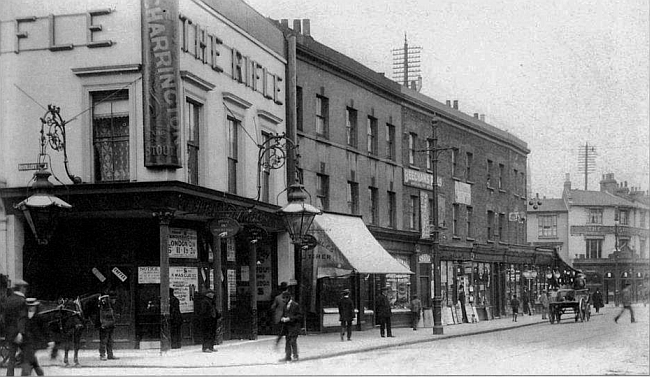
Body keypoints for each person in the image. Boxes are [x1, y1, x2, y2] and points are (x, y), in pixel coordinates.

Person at [3, 279, 29, 376]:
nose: (26, 290)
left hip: (10, 333)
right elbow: (22, 318)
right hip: (19, 334)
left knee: (12, 357)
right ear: (21, 288)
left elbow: (4, 318)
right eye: (25, 288)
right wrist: (20, 333)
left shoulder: (8, 300)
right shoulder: (22, 301)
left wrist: (8, 331)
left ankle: (9, 375)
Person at [19, 298, 46, 376]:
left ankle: (26, 374)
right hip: (24, 342)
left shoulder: (39, 317)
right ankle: (40, 373)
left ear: (35, 306)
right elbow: (19, 326)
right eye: (29, 306)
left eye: (33, 306)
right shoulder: (23, 316)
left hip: (35, 342)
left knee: (27, 361)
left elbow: (45, 329)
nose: (31, 308)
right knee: (33, 362)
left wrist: (49, 340)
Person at [279, 291, 303, 363]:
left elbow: (299, 316)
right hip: (287, 327)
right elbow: (284, 314)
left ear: (288, 298)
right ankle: (288, 356)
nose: (283, 300)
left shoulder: (295, 305)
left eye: (284, 298)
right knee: (287, 341)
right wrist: (282, 318)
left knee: (293, 341)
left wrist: (289, 318)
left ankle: (295, 355)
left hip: (294, 326)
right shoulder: (284, 306)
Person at [97, 294, 117, 361]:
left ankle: (110, 354)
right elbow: (101, 317)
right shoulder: (102, 309)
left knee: (110, 340)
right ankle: (102, 355)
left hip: (110, 325)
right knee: (104, 341)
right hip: (105, 325)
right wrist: (103, 324)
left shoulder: (109, 308)